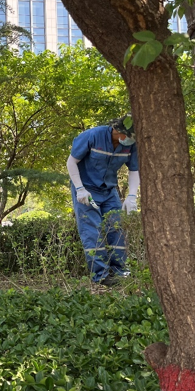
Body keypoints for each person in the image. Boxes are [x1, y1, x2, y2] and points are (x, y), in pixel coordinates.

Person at [67, 115, 140, 287]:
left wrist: (132, 195)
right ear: (117, 130)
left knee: (117, 227)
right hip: (86, 189)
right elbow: (71, 162)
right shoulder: (92, 135)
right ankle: (100, 276)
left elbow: (134, 170)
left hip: (108, 190)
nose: (130, 140)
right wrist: (79, 188)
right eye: (128, 135)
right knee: (92, 231)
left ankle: (120, 272)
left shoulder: (131, 145)